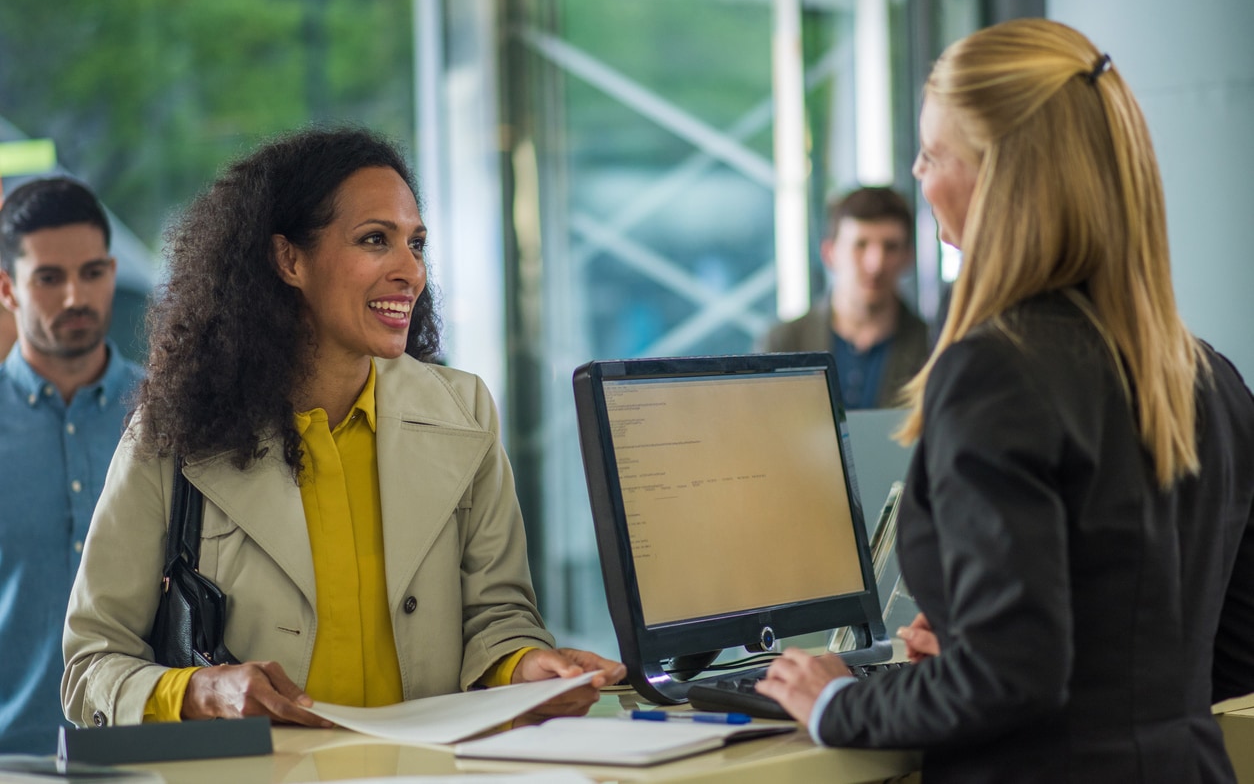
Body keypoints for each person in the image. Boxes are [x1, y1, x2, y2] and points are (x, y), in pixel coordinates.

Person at [757, 18, 1254, 782]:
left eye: (933, 153)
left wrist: (836, 702)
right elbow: (1229, 646)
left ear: (1000, 174)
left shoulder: (994, 371)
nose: (920, 176)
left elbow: (1010, 678)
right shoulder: (1205, 373)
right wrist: (975, 650)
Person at [62, 128, 624, 729]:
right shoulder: (176, 430)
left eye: (417, 243)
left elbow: (498, 617)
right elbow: (90, 668)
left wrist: (525, 666)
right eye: (375, 240)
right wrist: (199, 692)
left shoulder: (465, 412)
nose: (410, 270)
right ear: (289, 259)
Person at [0, 177, 144, 753]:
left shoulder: (172, 418)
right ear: (8, 289)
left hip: (147, 756)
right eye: (49, 279)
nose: (74, 299)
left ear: (111, 272)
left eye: (91, 273)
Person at [759, 186, 929, 409]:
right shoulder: (783, 344)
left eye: (890, 247)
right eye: (860, 245)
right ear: (830, 253)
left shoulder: (933, 347)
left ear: (908, 256)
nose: (875, 264)